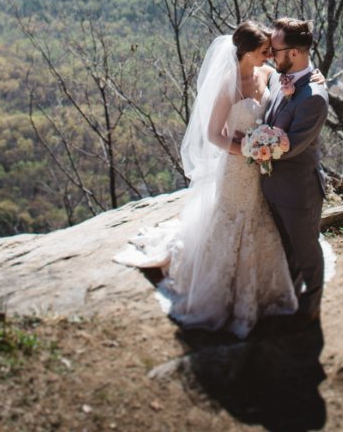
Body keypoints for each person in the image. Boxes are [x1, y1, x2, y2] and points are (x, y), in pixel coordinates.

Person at [115, 21, 305, 338]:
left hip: (262, 167)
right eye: (264, 51)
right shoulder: (228, 85)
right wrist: (247, 150)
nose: (270, 54)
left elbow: (289, 90)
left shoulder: (268, 74)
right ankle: (224, 290)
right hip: (237, 168)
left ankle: (264, 288)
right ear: (245, 52)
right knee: (233, 220)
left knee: (261, 219)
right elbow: (214, 135)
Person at [255, 17, 331, 322]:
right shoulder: (278, 77)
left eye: (276, 50)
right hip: (273, 188)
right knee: (287, 251)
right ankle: (288, 301)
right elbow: (250, 62)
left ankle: (309, 310)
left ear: (296, 53)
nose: (271, 56)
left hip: (299, 192)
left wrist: (249, 149)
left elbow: (291, 145)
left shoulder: (314, 98)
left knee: (307, 252)